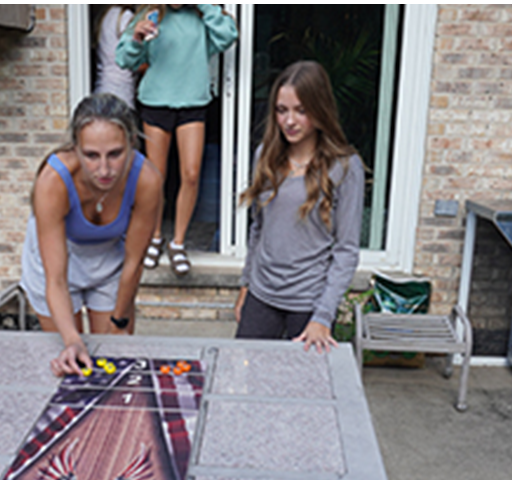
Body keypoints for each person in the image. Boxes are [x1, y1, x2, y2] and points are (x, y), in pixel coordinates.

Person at [20, 93, 163, 376]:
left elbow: (134, 263)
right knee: (72, 364)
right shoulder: (53, 181)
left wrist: (120, 323)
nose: (104, 170)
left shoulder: (147, 179)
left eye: (115, 154)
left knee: (113, 361)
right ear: (75, 148)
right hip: (58, 264)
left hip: (110, 262)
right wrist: (73, 341)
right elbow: (56, 279)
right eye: (91, 156)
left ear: (131, 144)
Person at [234, 61, 364, 353]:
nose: (289, 121)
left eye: (301, 110)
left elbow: (346, 250)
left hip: (309, 303)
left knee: (303, 392)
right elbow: (259, 228)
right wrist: (245, 287)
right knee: (246, 384)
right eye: (282, 110)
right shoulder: (265, 156)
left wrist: (323, 315)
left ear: (320, 110)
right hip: (261, 295)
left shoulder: (344, 167)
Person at [116, 3, 237, 277]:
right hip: (156, 102)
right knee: (156, 178)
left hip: (193, 103)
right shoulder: (148, 15)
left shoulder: (201, 17)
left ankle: (178, 242)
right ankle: (156, 236)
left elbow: (228, 36)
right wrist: (136, 37)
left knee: (191, 175)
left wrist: (205, 4)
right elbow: (124, 60)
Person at [93, 4, 138, 108]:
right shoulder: (125, 16)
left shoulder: (106, 14)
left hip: (103, 86)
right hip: (121, 89)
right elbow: (131, 55)